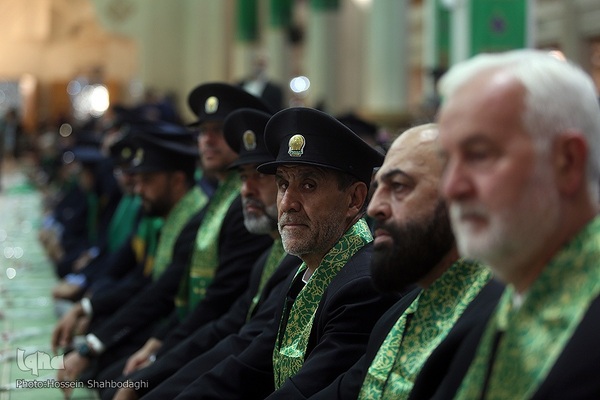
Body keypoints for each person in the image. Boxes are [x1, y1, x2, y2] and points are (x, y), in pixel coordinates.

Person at [55, 82, 275, 396]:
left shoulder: (241, 212)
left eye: (218, 130)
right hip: (196, 336)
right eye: (203, 132)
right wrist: (155, 346)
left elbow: (217, 310)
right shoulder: (220, 202)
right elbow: (164, 286)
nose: (207, 140)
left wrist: (156, 358)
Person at [171, 107, 401, 399]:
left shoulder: (362, 286)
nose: (287, 203)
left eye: (309, 185)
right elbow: (248, 367)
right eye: (282, 184)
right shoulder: (305, 270)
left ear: (354, 199)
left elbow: (302, 392)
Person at [409, 49, 600, 399]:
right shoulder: (504, 299)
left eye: (479, 154)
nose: (452, 188)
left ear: (568, 161)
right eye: (447, 161)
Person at [103, 108, 300, 400]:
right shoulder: (267, 256)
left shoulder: (302, 261)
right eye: (242, 177)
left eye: (260, 176)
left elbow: (239, 337)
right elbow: (228, 327)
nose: (246, 190)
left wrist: (151, 379)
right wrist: (152, 367)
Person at [307, 124, 503, 400]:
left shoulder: (498, 321)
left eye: (399, 186)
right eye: (378, 187)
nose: (374, 208)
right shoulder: (399, 314)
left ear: (463, 197)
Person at [53, 121, 208, 393]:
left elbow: (159, 294)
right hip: (163, 325)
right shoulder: (169, 215)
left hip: (180, 333)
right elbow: (142, 279)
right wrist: (90, 307)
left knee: (109, 381)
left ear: (177, 181)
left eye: (147, 181)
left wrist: (93, 344)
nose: (138, 190)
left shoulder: (195, 222)